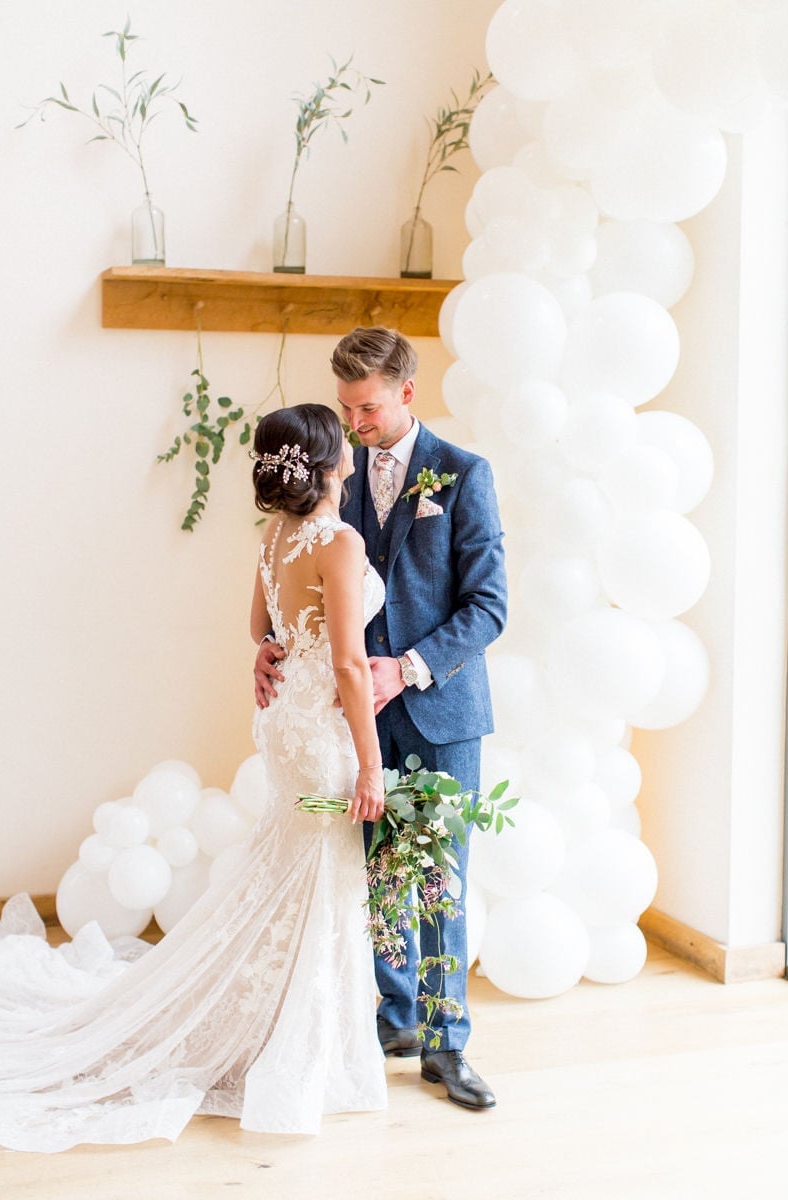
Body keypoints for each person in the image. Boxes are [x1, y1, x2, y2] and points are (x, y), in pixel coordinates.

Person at [0, 403, 388, 1152]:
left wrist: (271, 656)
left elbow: (256, 628)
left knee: (288, 877)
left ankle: (266, 1024)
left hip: (284, 730)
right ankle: (292, 1044)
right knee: (316, 880)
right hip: (321, 735)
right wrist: (370, 765)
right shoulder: (339, 542)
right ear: (332, 464)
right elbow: (348, 665)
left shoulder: (275, 537)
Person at [256, 328, 507, 1111]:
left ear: (407, 392)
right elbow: (297, 579)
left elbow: (489, 606)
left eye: (367, 407)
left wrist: (410, 666)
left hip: (440, 712)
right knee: (375, 871)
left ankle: (447, 1042)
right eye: (345, 408)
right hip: (349, 719)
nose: (355, 422)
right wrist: (268, 645)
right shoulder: (331, 475)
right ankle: (394, 1016)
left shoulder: (465, 476)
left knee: (440, 877)